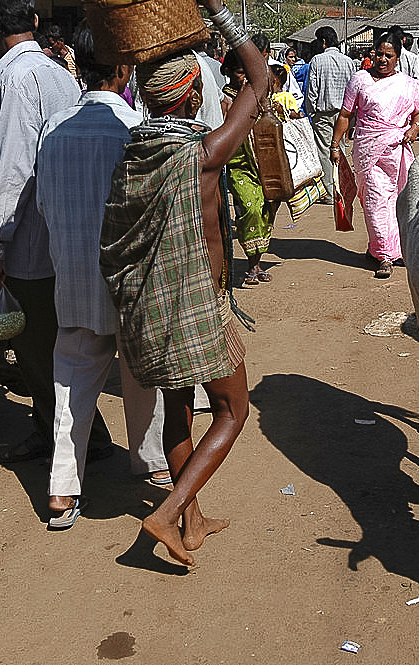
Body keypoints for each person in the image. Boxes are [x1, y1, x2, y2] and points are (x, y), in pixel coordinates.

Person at [99, 0, 267, 566]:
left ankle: (191, 518)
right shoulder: (205, 153)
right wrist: (218, 10)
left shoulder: (133, 153)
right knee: (233, 411)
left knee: (179, 406)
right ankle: (168, 512)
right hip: (198, 306)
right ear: (193, 94)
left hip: (153, 308)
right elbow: (262, 78)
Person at [35, 27, 173, 529]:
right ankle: (153, 464)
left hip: (72, 275)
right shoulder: (137, 127)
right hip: (130, 279)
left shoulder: (54, 129)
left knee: (72, 379)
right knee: (141, 375)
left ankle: (62, 492)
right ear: (123, 69)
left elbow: (45, 203)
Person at [0, 0, 111, 466]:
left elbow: (12, 168)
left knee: (37, 349)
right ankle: (80, 431)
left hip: (31, 239)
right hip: (63, 228)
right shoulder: (57, 71)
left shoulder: (16, 78)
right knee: (59, 341)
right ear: (35, 22)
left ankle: (74, 439)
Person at [330, 30, 419, 279]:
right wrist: (335, 144)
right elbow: (345, 115)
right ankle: (384, 256)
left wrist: (414, 129)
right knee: (374, 202)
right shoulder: (359, 79)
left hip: (397, 152)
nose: (383, 59)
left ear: (398, 57)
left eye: (389, 55)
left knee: (396, 203)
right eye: (379, 54)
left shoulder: (405, 83)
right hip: (367, 151)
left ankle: (385, 250)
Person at [221, 51, 277, 285]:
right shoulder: (225, 98)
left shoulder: (257, 94)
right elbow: (227, 128)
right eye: (239, 72)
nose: (243, 77)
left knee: (265, 209)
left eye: (247, 72)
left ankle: (256, 262)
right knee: (249, 207)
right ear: (229, 73)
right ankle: (251, 264)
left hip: (262, 161)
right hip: (237, 163)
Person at [305, 26, 356, 200]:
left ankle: (329, 192)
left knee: (325, 151)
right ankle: (341, 186)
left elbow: (312, 89)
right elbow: (354, 89)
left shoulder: (317, 61)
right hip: (344, 113)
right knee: (339, 149)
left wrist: (310, 111)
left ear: (323, 42)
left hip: (323, 113)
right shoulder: (348, 62)